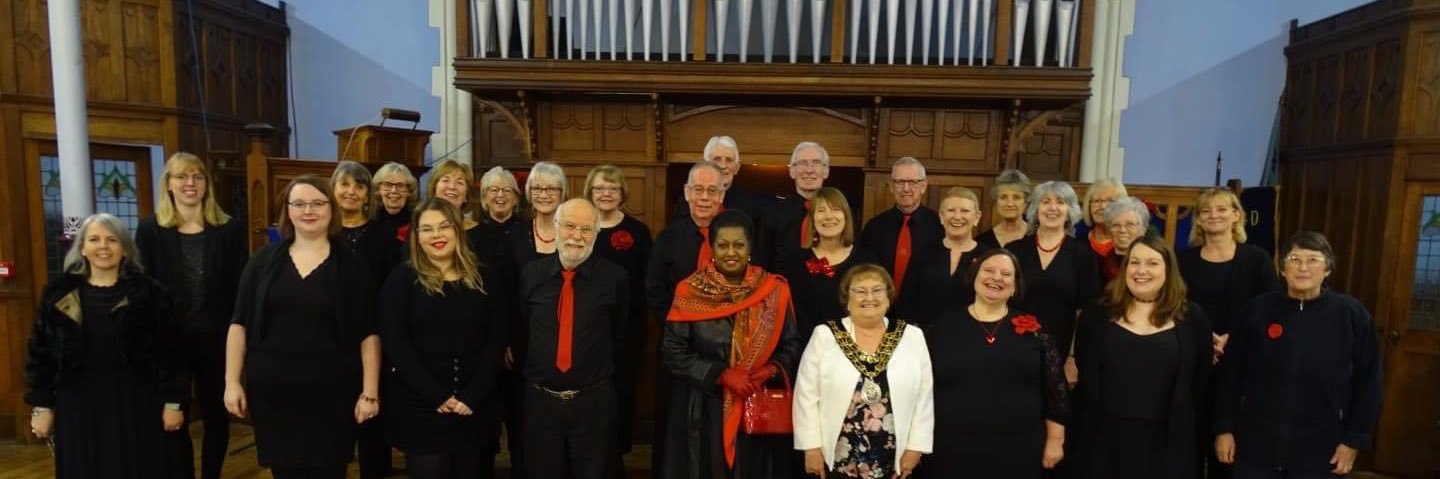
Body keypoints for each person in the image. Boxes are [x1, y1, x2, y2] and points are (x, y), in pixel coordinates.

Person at [224, 175, 382, 479]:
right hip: (274, 393)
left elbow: (368, 333)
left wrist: (370, 392)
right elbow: (239, 324)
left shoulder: (352, 266)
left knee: (329, 471)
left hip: (333, 394)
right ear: (288, 210)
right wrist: (232, 382)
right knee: (284, 471)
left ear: (331, 208)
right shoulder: (262, 261)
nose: (308, 211)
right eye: (299, 203)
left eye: (317, 203)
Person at [27, 213, 184, 479]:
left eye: (112, 240)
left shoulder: (150, 294)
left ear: (125, 249)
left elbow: (172, 353)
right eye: (94, 239)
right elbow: (40, 355)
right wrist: (42, 407)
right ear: (82, 248)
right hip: (77, 404)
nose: (103, 246)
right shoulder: (57, 294)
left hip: (137, 403)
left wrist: (173, 403)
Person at [1214, 231, 1383, 479]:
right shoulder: (1256, 311)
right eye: (1294, 259)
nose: (1303, 267)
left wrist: (1354, 439)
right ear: (1282, 269)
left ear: (1328, 269)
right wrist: (1224, 428)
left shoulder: (1352, 316)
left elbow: (1369, 383)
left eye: (1313, 259)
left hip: (1323, 448)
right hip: (1256, 446)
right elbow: (1230, 375)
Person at [659, 209, 803, 479]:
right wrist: (721, 375)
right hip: (704, 408)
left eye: (739, 245)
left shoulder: (774, 290)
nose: (731, 252)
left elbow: (792, 344)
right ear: (712, 247)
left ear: (750, 248)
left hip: (756, 404)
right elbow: (672, 352)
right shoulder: (688, 290)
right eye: (723, 245)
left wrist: (771, 370)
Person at [136, 152, 247, 479]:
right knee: (175, 416)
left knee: (216, 415)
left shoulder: (229, 229)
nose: (190, 183)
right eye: (181, 177)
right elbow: (142, 287)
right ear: (168, 184)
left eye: (198, 177)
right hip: (169, 342)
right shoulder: (150, 229)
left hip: (217, 339)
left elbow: (239, 287)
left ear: (206, 184)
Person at [378, 198, 506, 479]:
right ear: (417, 236)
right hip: (421, 404)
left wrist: (473, 395)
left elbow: (496, 339)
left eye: (444, 226)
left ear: (458, 230)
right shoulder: (402, 279)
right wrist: (435, 395)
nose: (436, 235)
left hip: (475, 403)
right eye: (427, 229)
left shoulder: (484, 278)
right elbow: (396, 343)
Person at [1071, 235, 1213, 479]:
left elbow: (1199, 378)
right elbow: (1086, 365)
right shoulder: (1097, 313)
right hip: (1105, 440)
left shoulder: (1192, 318)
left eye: (1152, 263)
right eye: (1134, 262)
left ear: (1168, 270)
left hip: (1167, 443)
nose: (1141, 271)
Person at [919, 249, 1067, 479]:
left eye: (1006, 274)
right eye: (989, 270)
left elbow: (1055, 391)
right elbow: (921, 389)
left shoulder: (1036, 330)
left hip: (1017, 449)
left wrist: (1055, 440)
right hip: (951, 448)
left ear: (1015, 286)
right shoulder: (941, 327)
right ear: (974, 276)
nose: (996, 277)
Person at [520, 198, 631, 479]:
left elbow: (620, 334)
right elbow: (522, 330)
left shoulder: (615, 278)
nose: (577, 236)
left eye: (586, 229)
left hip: (594, 402)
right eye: (570, 226)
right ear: (556, 227)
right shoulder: (531, 275)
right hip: (541, 403)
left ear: (596, 233)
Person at [793, 263, 934, 479]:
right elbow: (806, 395)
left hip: (892, 456)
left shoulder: (912, 336)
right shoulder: (825, 335)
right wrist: (810, 447)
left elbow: (924, 398)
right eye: (860, 291)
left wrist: (916, 447)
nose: (870, 297)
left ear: (888, 297)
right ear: (847, 299)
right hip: (838, 454)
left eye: (877, 290)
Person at [1178, 188, 1276, 479]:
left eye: (1222, 209)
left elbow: (1269, 307)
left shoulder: (1257, 259)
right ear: (1198, 220)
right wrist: (1204, 339)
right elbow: (1175, 305)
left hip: (1242, 364)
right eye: (1206, 210)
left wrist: (1233, 338)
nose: (1214, 215)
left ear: (1236, 215)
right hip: (1195, 361)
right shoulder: (1184, 260)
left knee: (1229, 449)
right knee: (1190, 443)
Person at [647, 161, 728, 474]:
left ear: (722, 194)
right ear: (686, 192)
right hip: (677, 350)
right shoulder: (668, 238)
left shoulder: (736, 235)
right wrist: (682, 329)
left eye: (712, 190)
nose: (704, 197)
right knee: (672, 422)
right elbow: (654, 291)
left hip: (724, 353)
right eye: (698, 190)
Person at [584, 165, 653, 464]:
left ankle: (616, 456)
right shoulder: (581, 227)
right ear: (590, 192)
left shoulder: (638, 232)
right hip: (586, 330)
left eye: (612, 188)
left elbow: (647, 282)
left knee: (621, 393)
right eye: (600, 188)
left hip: (626, 330)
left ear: (622, 193)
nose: (606, 194)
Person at [1006, 181, 1102, 382]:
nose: (1052, 208)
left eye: (1060, 202)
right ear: (1035, 209)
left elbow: (1084, 311)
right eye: (1045, 202)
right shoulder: (1014, 250)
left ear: (1069, 211)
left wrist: (1072, 358)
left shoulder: (1083, 255)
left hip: (1062, 350)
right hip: (1014, 345)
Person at [780, 187, 878, 334]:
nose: (828, 216)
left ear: (846, 216)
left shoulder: (866, 259)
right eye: (821, 211)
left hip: (855, 341)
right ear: (812, 219)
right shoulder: (795, 261)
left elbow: (872, 308)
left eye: (835, 209)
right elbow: (792, 316)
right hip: (808, 343)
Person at [858, 157, 943, 321]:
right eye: (899, 182)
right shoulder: (874, 227)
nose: (906, 189)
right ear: (891, 186)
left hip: (924, 318)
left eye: (913, 182)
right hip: (879, 314)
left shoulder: (939, 226)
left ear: (924, 186)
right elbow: (863, 271)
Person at [906, 187, 997, 328]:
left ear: (977, 217)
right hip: (925, 335)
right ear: (941, 216)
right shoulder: (923, 253)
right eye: (951, 210)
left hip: (972, 334)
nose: (957, 217)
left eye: (965, 211)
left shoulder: (989, 257)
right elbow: (907, 300)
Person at [757, 141, 831, 271]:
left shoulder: (838, 214)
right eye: (802, 163)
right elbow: (761, 263)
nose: (809, 170)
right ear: (792, 171)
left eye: (816, 163)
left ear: (826, 171)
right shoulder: (772, 214)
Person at [673, 135, 771, 221]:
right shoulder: (686, 204)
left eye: (729, 160)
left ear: (737, 168)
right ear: (705, 165)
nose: (723, 166)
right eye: (717, 159)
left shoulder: (751, 207)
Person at [1077, 179, 1127, 281]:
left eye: (1110, 201)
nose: (1103, 206)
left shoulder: (1131, 244)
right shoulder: (1077, 242)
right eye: (1097, 201)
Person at [1101, 196, 1151, 283]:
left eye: (1130, 224)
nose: (1122, 230)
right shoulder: (1100, 265)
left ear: (1143, 228)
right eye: (1116, 225)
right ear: (1109, 230)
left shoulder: (1154, 261)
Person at [977, 169, 1032, 247]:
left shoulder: (1037, 236)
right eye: (1003, 197)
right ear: (996, 201)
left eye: (1016, 197)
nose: (1009, 204)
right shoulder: (981, 242)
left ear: (1026, 202)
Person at [371, 161, 419, 241]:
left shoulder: (418, 221)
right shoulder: (369, 220)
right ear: (378, 190)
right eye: (387, 185)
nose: (393, 191)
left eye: (400, 185)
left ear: (409, 191)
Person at [479, 165, 523, 232]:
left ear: (515, 199)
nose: (500, 195)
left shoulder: (527, 232)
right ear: (484, 197)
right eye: (494, 190)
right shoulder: (474, 234)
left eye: (507, 190)